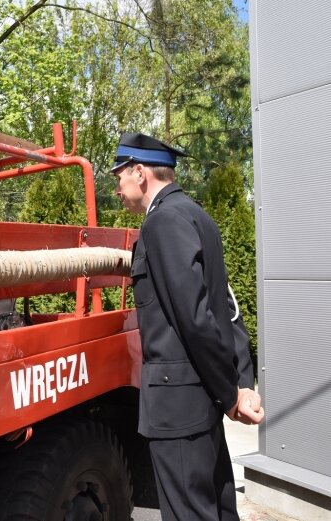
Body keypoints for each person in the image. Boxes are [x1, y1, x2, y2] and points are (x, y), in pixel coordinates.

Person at [110, 132, 264, 520]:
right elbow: (228, 309)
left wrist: (231, 393)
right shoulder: (198, 216)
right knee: (217, 508)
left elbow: (195, 320)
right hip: (200, 405)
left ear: (140, 173)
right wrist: (240, 382)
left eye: (119, 177)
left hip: (179, 410)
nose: (117, 188)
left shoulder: (162, 223)